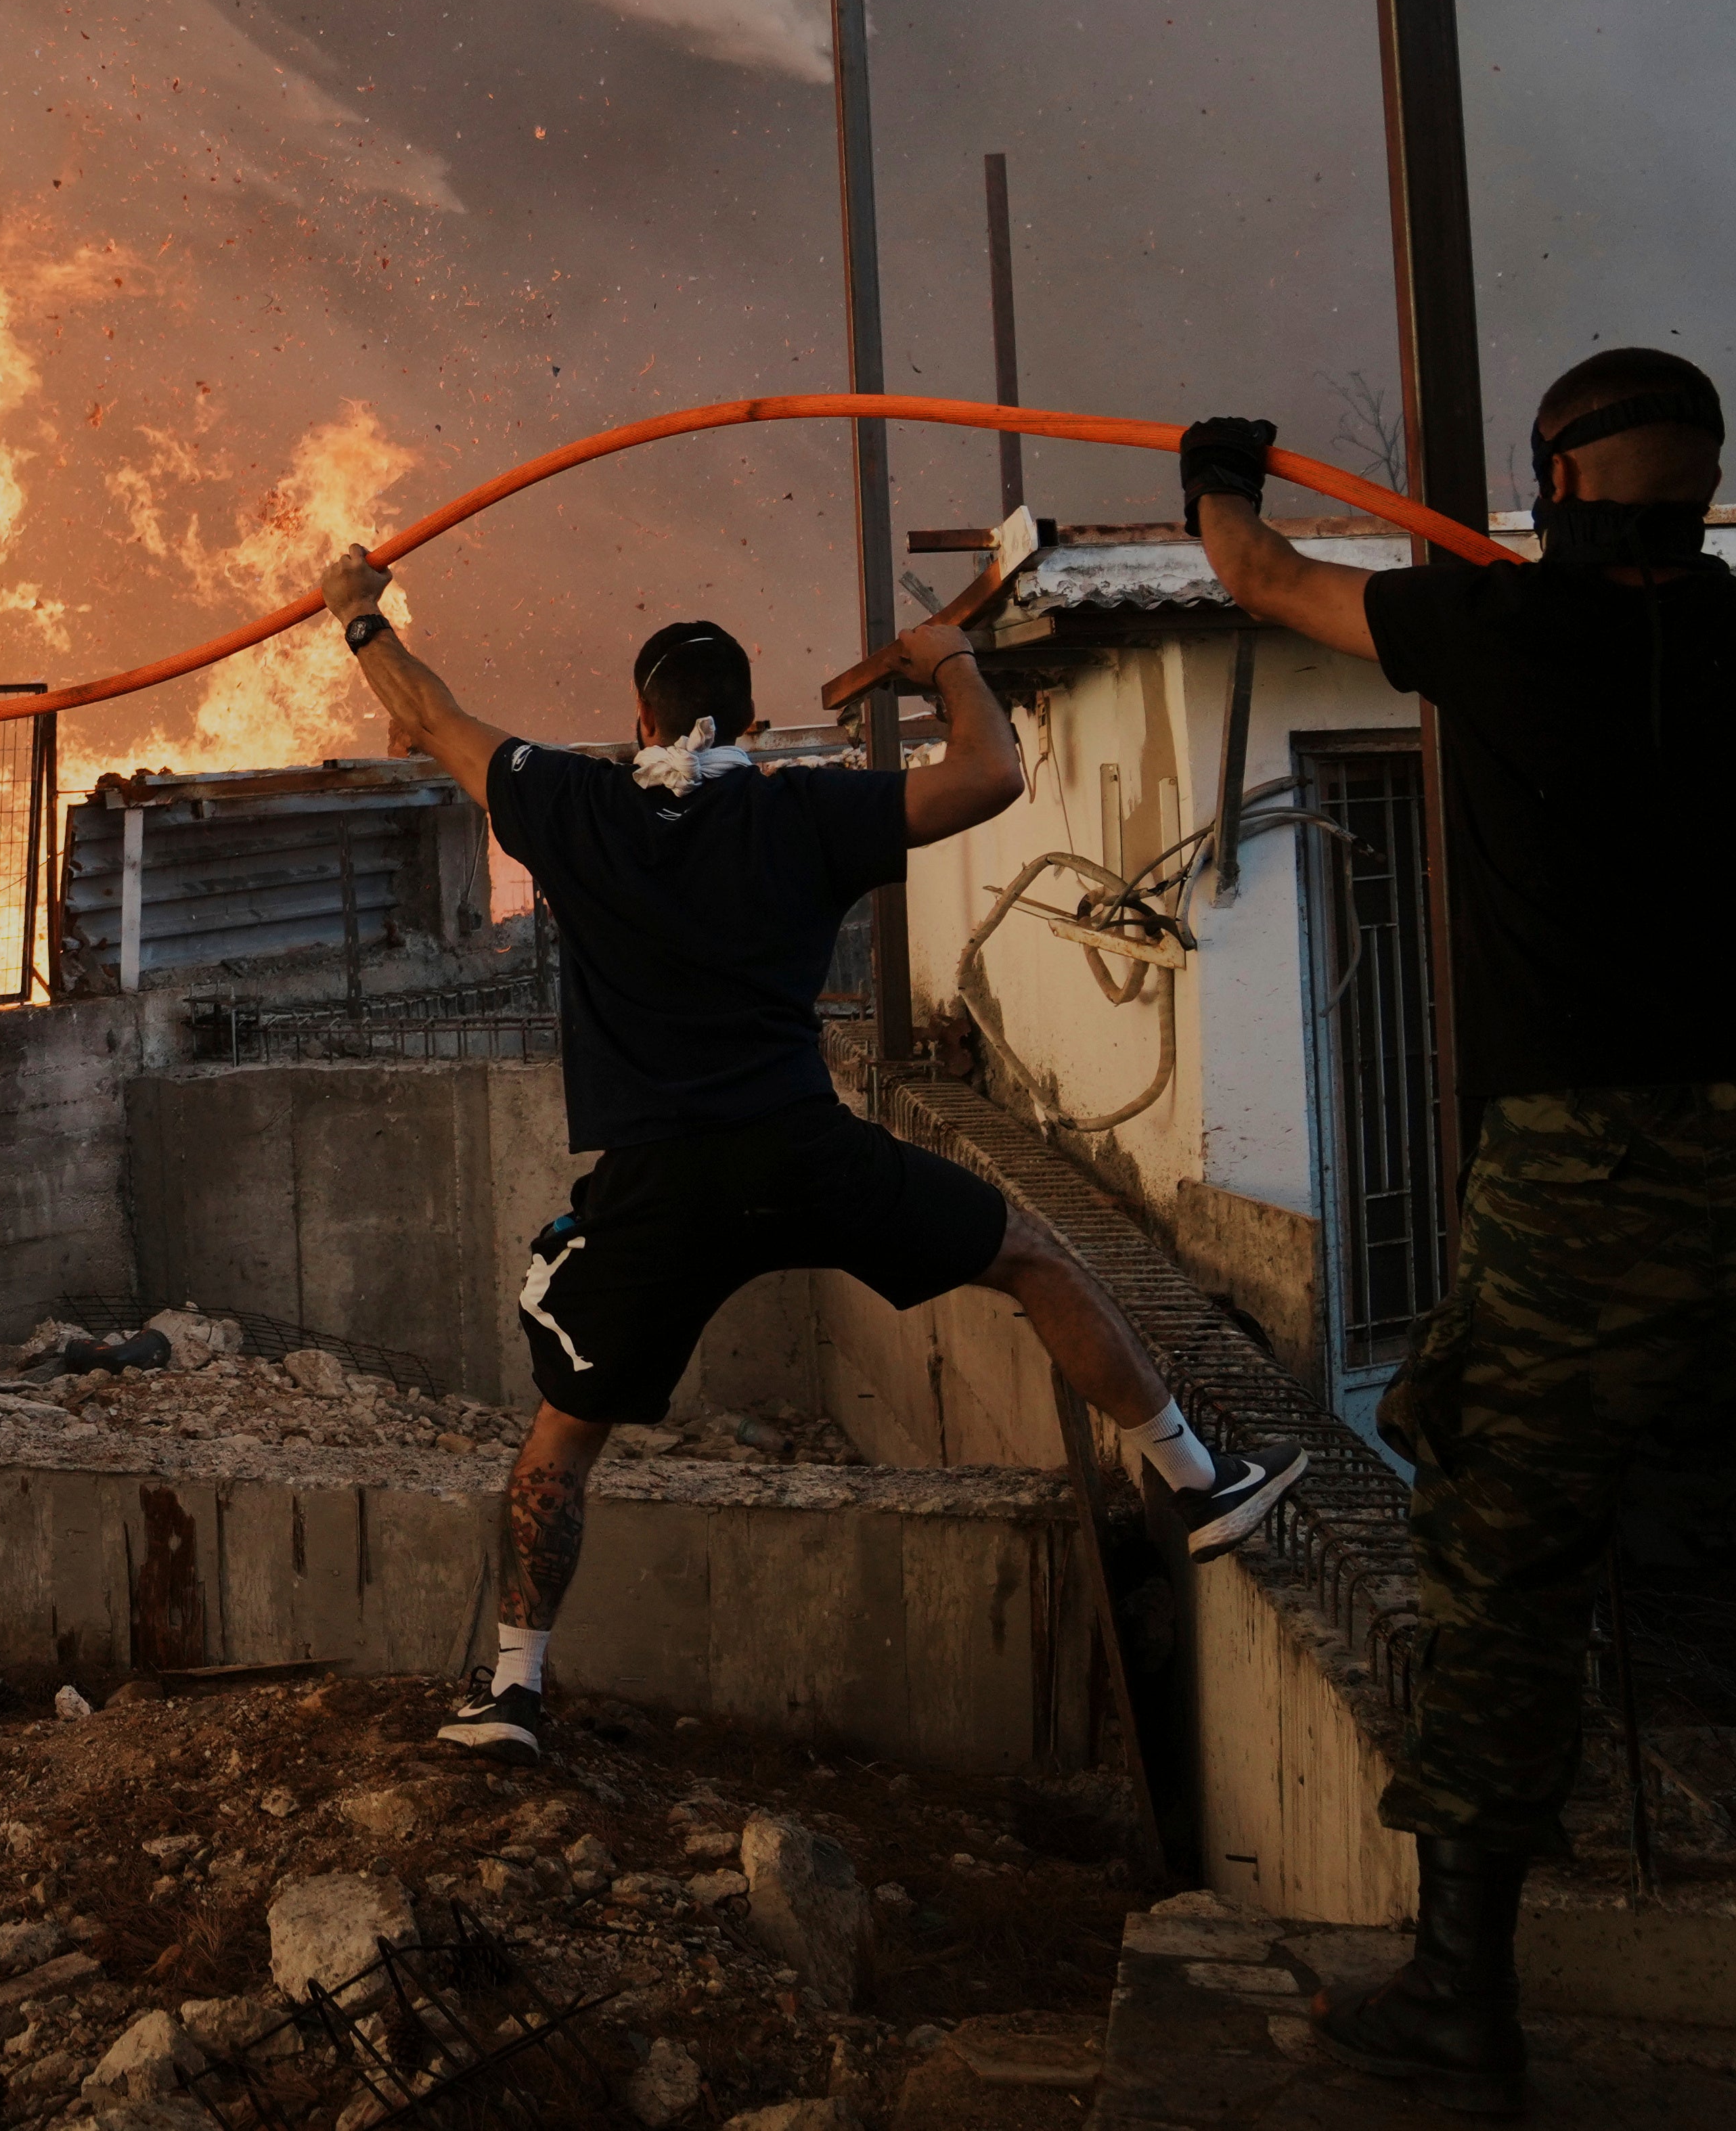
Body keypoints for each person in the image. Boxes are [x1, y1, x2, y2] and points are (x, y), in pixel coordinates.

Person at [1182, 354, 1736, 2115]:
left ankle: (1458, 1987)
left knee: (1506, 1574)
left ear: (1553, 475)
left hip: (1570, 1179)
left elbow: (1249, 575)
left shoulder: (1477, 629)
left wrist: (1214, 472)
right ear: (1700, 479)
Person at [317, 547, 1310, 1768]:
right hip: (801, 1150)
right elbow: (992, 770)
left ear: (642, 718)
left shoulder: (572, 802)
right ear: (749, 716)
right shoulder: (806, 806)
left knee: (562, 1441)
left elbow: (426, 714)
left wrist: (359, 615)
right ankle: (1200, 1478)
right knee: (1035, 1260)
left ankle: (516, 1689)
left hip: (656, 1186)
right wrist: (946, 659)